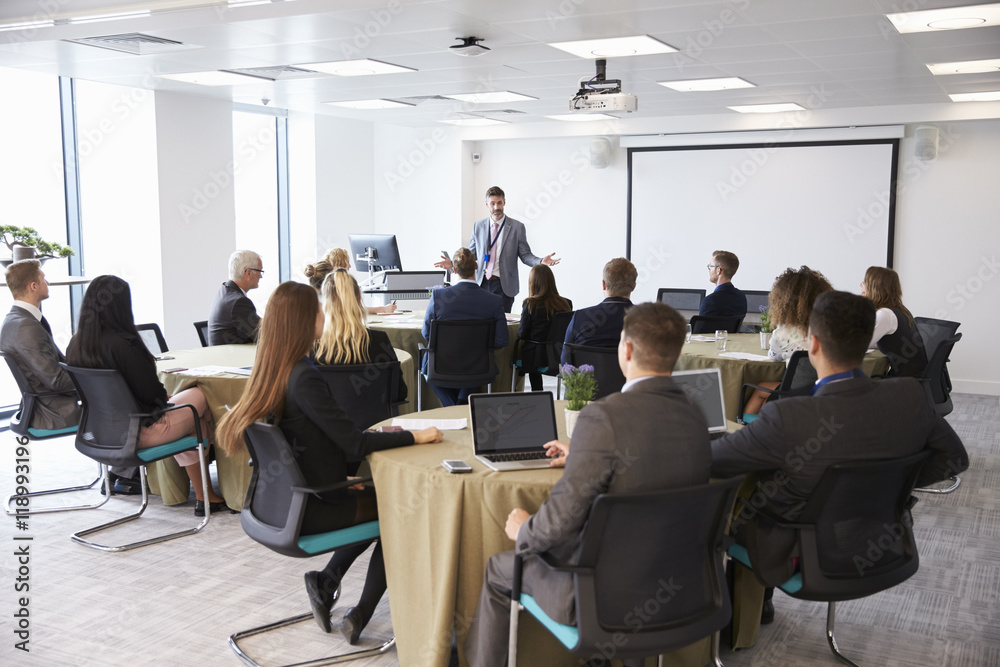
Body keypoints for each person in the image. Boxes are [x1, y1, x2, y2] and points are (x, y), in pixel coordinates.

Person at [464, 302, 712, 667]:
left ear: (625, 350)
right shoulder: (694, 413)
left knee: (500, 566)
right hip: (678, 587)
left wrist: (523, 529)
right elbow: (649, 466)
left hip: (600, 598)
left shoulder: (604, 416)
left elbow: (556, 525)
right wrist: (585, 452)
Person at [711, 291, 968, 618]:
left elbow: (713, 461)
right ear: (866, 343)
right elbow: (954, 459)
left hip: (798, 550)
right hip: (880, 540)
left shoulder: (788, 416)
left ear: (813, 345)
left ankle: (738, 618)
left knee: (721, 508)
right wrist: (887, 489)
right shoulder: (909, 395)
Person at [215, 281, 443, 644]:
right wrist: (417, 435)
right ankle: (361, 613)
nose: (324, 314)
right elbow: (355, 440)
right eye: (317, 310)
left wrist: (338, 478)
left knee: (375, 501)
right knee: (398, 512)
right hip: (309, 509)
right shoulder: (304, 376)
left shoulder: (273, 369)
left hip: (277, 506)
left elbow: (303, 445)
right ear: (302, 321)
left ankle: (326, 581)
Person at [66, 276, 226, 516]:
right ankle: (208, 494)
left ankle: (206, 497)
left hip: (99, 433)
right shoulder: (126, 343)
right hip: (139, 433)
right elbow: (152, 395)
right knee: (199, 397)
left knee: (194, 422)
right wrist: (165, 397)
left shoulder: (75, 344)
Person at [434, 186, 559, 313]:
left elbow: (525, 255)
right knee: (480, 322)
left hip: (504, 286)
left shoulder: (517, 227)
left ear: (504, 202)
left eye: (499, 203)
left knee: (501, 323)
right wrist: (453, 264)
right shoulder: (478, 226)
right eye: (492, 203)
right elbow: (470, 255)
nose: (496, 207)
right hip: (481, 284)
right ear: (487, 204)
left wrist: (541, 261)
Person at [422, 247, 509, 406]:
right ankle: (461, 404)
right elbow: (502, 340)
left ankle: (455, 407)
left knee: (427, 368)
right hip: (479, 366)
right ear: (476, 266)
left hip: (442, 366)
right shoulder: (494, 301)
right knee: (474, 366)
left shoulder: (439, 296)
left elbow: (427, 334)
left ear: (454, 270)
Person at [1, 259, 80, 431]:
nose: (48, 282)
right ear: (33, 286)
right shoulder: (25, 326)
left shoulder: (17, 319)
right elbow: (57, 381)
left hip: (48, 404)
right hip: (55, 412)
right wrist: (94, 380)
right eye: (44, 279)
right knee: (125, 401)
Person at [743, 266, 833, 416]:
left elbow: (773, 357)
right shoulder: (831, 329)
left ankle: (745, 428)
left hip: (794, 393)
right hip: (826, 392)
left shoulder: (783, 333)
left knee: (761, 388)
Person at [314, 268, 407, 405]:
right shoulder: (378, 340)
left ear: (324, 302)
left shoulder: (313, 346)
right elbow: (399, 392)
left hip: (325, 424)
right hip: (374, 423)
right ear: (358, 298)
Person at [561, 257, 636, 364]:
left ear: (603, 284)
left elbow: (566, 363)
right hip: (630, 380)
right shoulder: (647, 321)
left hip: (587, 380)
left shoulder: (579, 318)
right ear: (633, 286)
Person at [861, 266, 928, 378]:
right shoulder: (900, 310)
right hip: (912, 375)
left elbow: (858, 345)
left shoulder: (885, 315)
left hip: (905, 379)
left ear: (874, 287)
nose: (860, 285)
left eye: (864, 282)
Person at [517, 264, 572, 391]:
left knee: (527, 350)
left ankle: (518, 392)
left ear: (533, 283)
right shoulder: (566, 303)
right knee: (533, 351)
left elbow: (521, 334)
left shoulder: (530, 304)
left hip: (535, 358)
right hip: (557, 355)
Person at [304, 248, 397, 315]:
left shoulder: (315, 293)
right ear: (340, 265)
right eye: (348, 262)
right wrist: (383, 309)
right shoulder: (333, 288)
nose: (350, 266)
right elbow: (351, 309)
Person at [208, 249, 263, 345]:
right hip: (233, 358)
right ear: (248, 272)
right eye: (260, 271)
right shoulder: (238, 302)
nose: (261, 276)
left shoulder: (225, 292)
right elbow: (266, 335)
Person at [700, 250, 747, 318]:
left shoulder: (710, 301)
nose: (709, 269)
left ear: (719, 270)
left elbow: (701, 328)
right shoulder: (741, 297)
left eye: (711, 266)